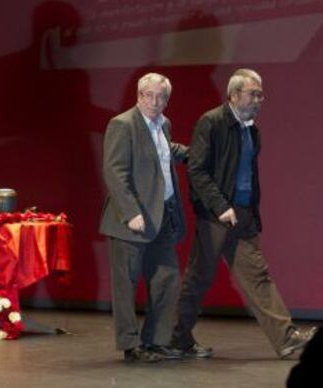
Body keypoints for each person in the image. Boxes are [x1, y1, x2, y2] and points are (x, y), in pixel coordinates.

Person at [171, 68, 316, 358]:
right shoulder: (211, 122)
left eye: (261, 94)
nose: (260, 99)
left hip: (244, 215)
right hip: (216, 216)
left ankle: (286, 338)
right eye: (254, 94)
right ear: (235, 95)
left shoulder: (252, 130)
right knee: (198, 279)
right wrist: (220, 206)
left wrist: (247, 209)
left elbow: (247, 175)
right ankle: (177, 339)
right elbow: (198, 170)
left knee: (257, 276)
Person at [100, 73, 188, 363]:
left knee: (167, 278)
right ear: (138, 96)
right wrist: (131, 212)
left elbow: (161, 153)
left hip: (161, 216)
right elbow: (115, 172)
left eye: (161, 97)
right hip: (132, 219)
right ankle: (130, 344)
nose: (155, 101)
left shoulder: (164, 124)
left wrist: (191, 153)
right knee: (126, 284)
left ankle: (157, 341)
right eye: (149, 95)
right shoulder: (122, 125)